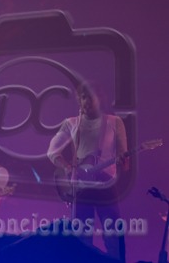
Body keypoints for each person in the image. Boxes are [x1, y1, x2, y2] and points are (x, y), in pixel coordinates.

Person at [47, 81, 129, 260]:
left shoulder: (114, 122)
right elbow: (52, 151)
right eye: (83, 97)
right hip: (81, 187)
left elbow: (125, 159)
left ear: (100, 98)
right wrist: (68, 167)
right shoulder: (71, 123)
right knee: (81, 236)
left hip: (106, 185)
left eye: (91, 97)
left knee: (113, 233)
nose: (87, 101)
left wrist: (123, 161)